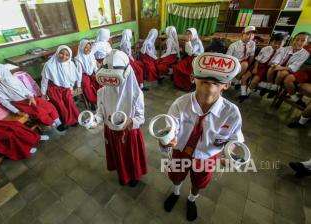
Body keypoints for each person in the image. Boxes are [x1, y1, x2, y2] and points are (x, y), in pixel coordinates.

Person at [161, 53, 243, 221]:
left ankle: (192, 199)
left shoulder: (232, 112)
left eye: (218, 79)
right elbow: (171, 125)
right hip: (181, 151)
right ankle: (176, 192)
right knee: (176, 175)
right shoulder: (180, 104)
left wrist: (229, 152)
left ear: (226, 85)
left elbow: (235, 138)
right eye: (204, 75)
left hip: (207, 155)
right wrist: (169, 136)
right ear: (193, 78)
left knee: (199, 182)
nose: (211, 79)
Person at [90, 50, 148, 187]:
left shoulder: (136, 94)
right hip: (111, 131)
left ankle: (133, 176)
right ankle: (123, 174)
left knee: (130, 156)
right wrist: (95, 121)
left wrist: (131, 121)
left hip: (129, 133)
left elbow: (141, 118)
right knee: (118, 156)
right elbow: (100, 112)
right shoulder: (102, 92)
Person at [0, 64, 66, 131]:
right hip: (19, 103)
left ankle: (58, 123)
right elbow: (4, 102)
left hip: (29, 98)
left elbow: (24, 89)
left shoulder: (11, 78)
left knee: (48, 105)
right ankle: (52, 125)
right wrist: (17, 112)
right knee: (39, 112)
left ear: (0, 72)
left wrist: (31, 96)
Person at [41, 45, 81, 127]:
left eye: (67, 55)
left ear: (70, 56)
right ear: (57, 53)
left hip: (65, 88)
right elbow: (44, 80)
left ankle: (73, 119)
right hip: (53, 89)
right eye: (61, 53)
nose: (64, 57)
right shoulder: (49, 65)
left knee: (69, 101)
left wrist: (71, 88)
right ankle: (67, 121)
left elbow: (71, 79)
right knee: (60, 104)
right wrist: (43, 94)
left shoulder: (70, 64)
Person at [238, 33, 286, 102]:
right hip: (258, 65)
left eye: (280, 43)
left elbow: (276, 63)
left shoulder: (283, 51)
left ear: (283, 43)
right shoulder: (265, 48)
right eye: (275, 42)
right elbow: (257, 60)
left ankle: (247, 94)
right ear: (271, 41)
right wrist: (255, 68)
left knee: (254, 81)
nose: (276, 45)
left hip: (267, 68)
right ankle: (243, 94)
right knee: (244, 77)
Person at [264, 32, 310, 98]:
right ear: (293, 40)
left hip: (290, 70)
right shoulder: (285, 49)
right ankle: (269, 86)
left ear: (306, 43)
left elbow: (294, 66)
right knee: (271, 69)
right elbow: (278, 58)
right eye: (297, 39)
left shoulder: (305, 54)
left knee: (282, 73)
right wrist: (275, 64)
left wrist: (279, 68)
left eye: (303, 40)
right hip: (278, 67)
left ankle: (275, 88)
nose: (298, 42)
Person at [74, 39, 100, 107]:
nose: (89, 50)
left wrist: (98, 74)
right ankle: (93, 101)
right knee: (86, 83)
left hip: (91, 72)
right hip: (83, 74)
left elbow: (94, 67)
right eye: (86, 48)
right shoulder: (78, 58)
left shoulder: (91, 55)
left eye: (90, 48)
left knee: (97, 79)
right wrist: (78, 85)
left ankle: (101, 97)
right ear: (82, 47)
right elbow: (79, 72)